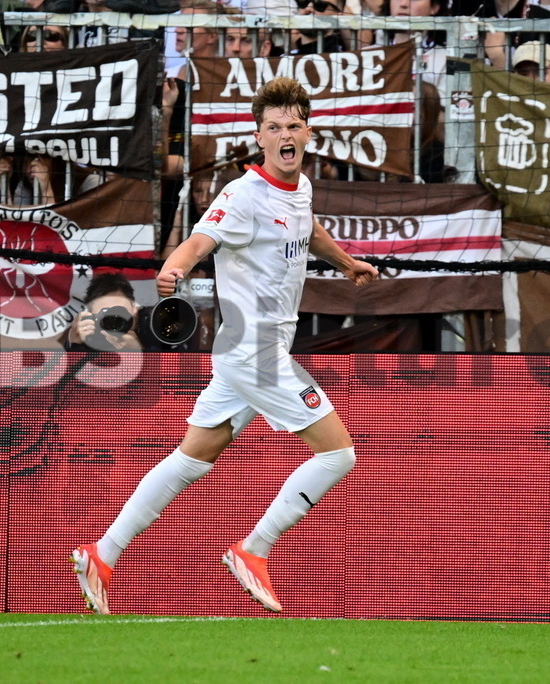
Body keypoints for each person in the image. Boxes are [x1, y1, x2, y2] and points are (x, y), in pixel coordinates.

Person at [71, 77, 379, 615]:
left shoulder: (299, 186)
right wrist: (177, 265)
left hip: (253, 351)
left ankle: (102, 553)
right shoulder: (242, 194)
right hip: (252, 350)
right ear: (258, 137)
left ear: (308, 132)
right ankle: (253, 549)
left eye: (293, 125)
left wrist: (347, 262)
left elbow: (307, 230)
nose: (285, 135)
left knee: (192, 459)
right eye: (274, 127)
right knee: (338, 453)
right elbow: (199, 240)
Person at [65, 273, 144, 352]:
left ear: (134, 309)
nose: (114, 320)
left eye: (120, 312)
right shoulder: (84, 339)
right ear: (91, 315)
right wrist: (74, 345)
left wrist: (141, 352)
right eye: (106, 315)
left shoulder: (151, 334)